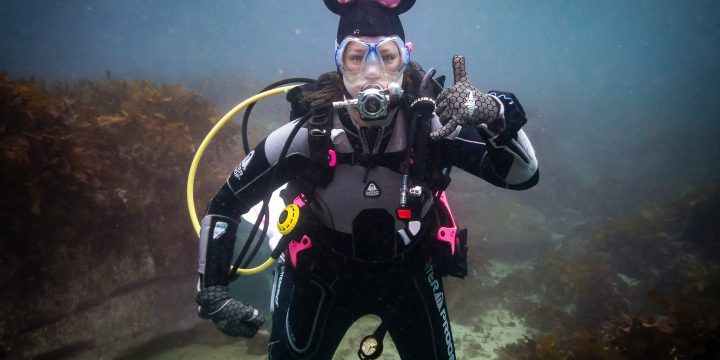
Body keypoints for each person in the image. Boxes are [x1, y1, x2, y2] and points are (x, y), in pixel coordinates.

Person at [194, 0, 539, 359]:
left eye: (387, 57)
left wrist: (496, 113)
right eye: (356, 57)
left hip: (408, 270)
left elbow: (523, 175)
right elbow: (225, 205)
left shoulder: (433, 128)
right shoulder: (305, 136)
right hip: (320, 270)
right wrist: (213, 294)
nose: (372, 73)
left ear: (405, 59)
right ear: (338, 61)